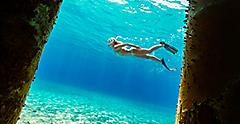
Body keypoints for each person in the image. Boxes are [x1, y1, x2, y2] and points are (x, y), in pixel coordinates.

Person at [108, 36, 178, 71]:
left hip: (133, 51)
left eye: (109, 42)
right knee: (148, 57)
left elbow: (126, 44)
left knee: (149, 51)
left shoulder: (115, 47)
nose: (109, 44)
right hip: (133, 54)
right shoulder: (115, 47)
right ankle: (160, 61)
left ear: (113, 43)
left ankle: (162, 45)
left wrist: (135, 46)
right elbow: (124, 45)